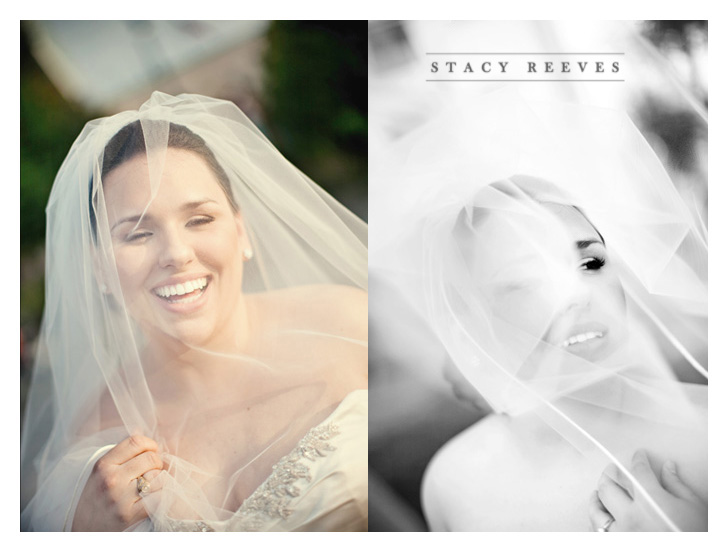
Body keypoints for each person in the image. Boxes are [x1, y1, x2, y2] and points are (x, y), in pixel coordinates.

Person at [20, 92, 368, 531]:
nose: (177, 254)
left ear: (241, 232)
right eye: (138, 233)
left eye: (199, 220)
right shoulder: (95, 440)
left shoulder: (350, 325)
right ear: (100, 269)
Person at [369, 94, 707, 532]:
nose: (576, 295)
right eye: (528, 282)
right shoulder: (454, 483)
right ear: (474, 317)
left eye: (590, 263)